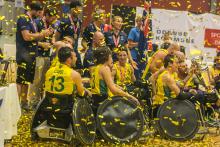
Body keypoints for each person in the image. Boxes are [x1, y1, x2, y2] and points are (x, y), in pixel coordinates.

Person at [152, 54, 220, 117]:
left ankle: (207, 115)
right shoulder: (167, 76)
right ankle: (206, 115)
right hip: (165, 104)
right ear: (170, 64)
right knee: (199, 94)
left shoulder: (173, 74)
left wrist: (189, 76)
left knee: (200, 93)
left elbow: (180, 85)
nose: (178, 65)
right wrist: (190, 93)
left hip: (171, 100)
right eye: (176, 63)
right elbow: (180, 95)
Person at [16, 1, 53, 110]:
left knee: (27, 81)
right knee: (20, 81)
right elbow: (27, 37)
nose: (40, 14)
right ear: (34, 10)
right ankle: (16, 104)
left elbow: (36, 38)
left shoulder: (32, 21)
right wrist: (41, 34)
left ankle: (23, 102)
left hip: (32, 55)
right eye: (39, 12)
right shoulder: (23, 18)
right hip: (24, 55)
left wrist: (45, 34)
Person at [90, 46, 139, 113]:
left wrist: (116, 86)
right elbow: (114, 90)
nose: (112, 59)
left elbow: (106, 84)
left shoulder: (96, 68)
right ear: (106, 57)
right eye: (110, 57)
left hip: (95, 99)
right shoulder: (105, 68)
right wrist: (130, 97)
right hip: (102, 101)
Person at [29, 7, 60, 109]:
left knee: (44, 81)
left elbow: (51, 39)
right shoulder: (36, 23)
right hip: (38, 55)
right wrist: (42, 45)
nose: (53, 20)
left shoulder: (51, 25)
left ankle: (41, 102)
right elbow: (31, 39)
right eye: (52, 18)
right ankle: (33, 102)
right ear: (46, 15)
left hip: (47, 56)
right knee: (37, 80)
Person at [55, 1, 83, 69]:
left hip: (75, 52)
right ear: (72, 9)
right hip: (65, 54)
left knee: (79, 70)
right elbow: (57, 37)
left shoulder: (79, 21)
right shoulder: (64, 21)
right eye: (77, 9)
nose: (79, 11)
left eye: (80, 9)